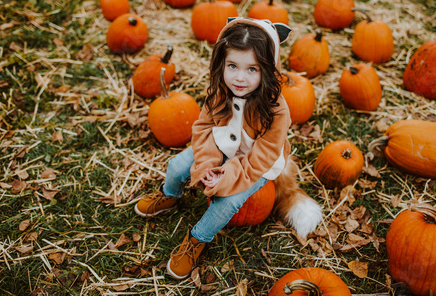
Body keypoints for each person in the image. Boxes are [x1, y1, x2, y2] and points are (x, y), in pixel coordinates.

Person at [134, 17, 323, 279]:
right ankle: (170, 194)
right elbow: (202, 129)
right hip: (220, 145)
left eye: (252, 69)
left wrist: (226, 176)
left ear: (267, 71)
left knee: (225, 203)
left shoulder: (277, 111)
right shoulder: (219, 91)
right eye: (232, 66)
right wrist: (207, 165)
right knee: (176, 166)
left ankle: (197, 239)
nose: (239, 78)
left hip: (255, 164)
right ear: (221, 63)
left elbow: (262, 157)